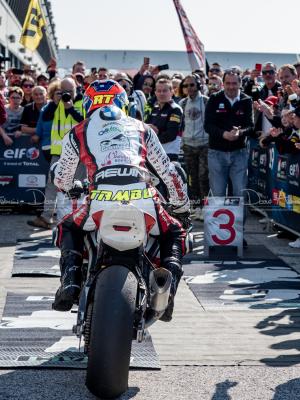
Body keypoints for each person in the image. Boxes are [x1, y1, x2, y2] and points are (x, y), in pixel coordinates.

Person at [51, 79, 190, 322]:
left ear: (87, 105)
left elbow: (61, 178)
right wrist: (181, 207)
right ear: (124, 104)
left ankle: (70, 283)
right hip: (143, 199)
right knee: (176, 231)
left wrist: (71, 187)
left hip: (100, 200)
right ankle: (167, 294)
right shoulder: (142, 128)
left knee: (67, 227)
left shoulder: (78, 131)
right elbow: (170, 173)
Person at [204, 69, 254, 246]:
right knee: (218, 194)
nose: (231, 87)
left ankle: (238, 235)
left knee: (240, 193)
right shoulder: (214, 98)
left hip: (239, 154)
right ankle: (218, 235)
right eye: (228, 83)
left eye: (235, 83)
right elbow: (207, 126)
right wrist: (223, 134)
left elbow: (251, 126)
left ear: (240, 83)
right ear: (223, 83)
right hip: (216, 153)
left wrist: (241, 132)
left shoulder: (247, 100)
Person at [180, 74, 209, 221]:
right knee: (192, 178)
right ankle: (196, 206)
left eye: (192, 85)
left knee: (204, 177)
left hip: (204, 144)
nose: (189, 88)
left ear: (198, 85)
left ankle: (205, 207)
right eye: (186, 85)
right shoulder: (183, 103)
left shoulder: (206, 101)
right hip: (188, 146)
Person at [144, 78, 184, 161]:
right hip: (154, 154)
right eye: (159, 91)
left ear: (171, 92)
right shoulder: (154, 108)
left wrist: (153, 136)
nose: (161, 93)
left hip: (169, 154)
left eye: (165, 91)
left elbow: (170, 135)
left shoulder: (175, 109)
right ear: (155, 92)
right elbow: (146, 127)